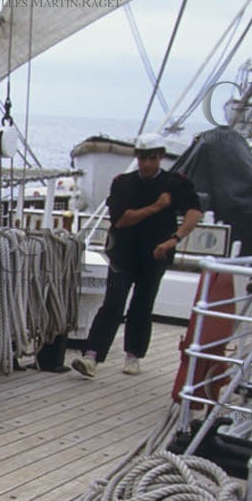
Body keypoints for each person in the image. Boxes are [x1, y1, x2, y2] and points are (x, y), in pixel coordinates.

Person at [72, 133, 202, 377]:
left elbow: (194, 212)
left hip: (156, 254)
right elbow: (122, 219)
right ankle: (91, 356)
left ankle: (133, 355)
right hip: (124, 254)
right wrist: (158, 206)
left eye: (151, 158)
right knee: (113, 303)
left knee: (142, 304)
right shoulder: (123, 183)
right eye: (142, 158)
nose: (146, 163)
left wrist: (174, 239)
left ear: (160, 157)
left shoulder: (176, 183)